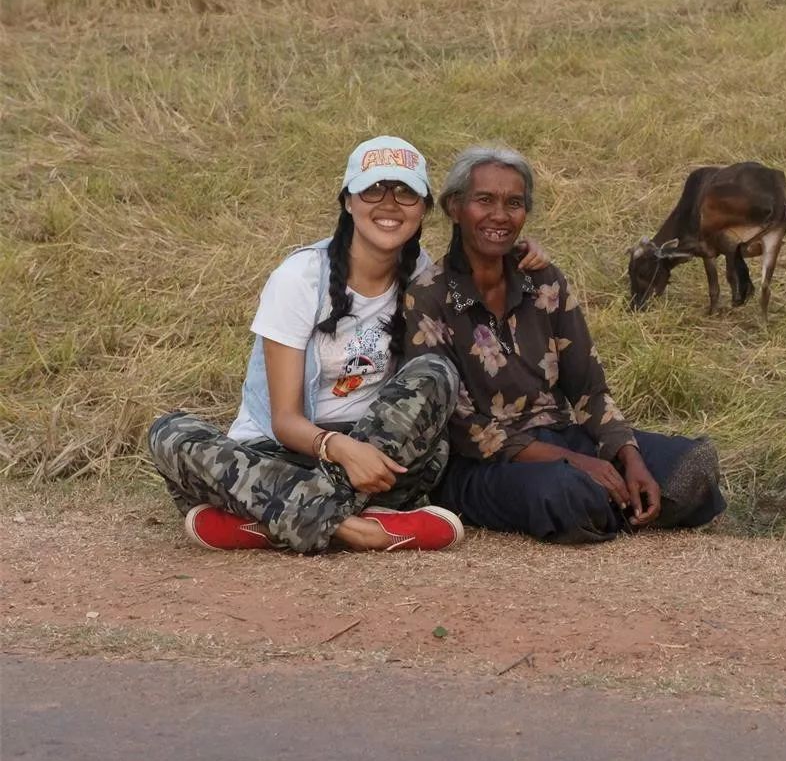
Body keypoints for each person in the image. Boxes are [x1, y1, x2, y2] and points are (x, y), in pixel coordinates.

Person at [146, 136, 550, 554]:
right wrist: (338, 448)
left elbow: (482, 299)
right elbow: (285, 420)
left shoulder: (426, 278)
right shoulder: (300, 277)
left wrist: (513, 256)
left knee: (436, 376)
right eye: (373, 189)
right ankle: (360, 531)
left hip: (378, 456)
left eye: (406, 192)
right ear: (348, 201)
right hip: (284, 451)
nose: (389, 204)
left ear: (425, 208)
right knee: (169, 433)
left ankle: (270, 522)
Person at [403, 145, 726, 543]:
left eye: (514, 203)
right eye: (484, 200)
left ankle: (612, 502)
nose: (500, 215)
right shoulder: (428, 295)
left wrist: (629, 456)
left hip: (560, 435)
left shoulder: (543, 280)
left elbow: (588, 388)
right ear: (455, 207)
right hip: (485, 463)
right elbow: (462, 425)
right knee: (563, 492)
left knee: (692, 465)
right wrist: (577, 462)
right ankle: (608, 504)